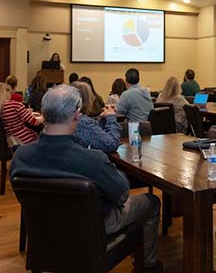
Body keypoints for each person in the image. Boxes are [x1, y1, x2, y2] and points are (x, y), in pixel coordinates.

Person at [10, 85, 162, 272]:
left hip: (45, 228)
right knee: (151, 202)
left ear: (42, 113)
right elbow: (122, 195)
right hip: (93, 228)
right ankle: (148, 266)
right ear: (77, 114)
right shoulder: (92, 159)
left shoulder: (21, 156)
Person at [72, 81, 121, 152]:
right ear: (87, 100)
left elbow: (95, 134)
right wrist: (111, 117)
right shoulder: (84, 122)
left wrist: (103, 119)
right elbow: (111, 144)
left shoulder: (68, 118)